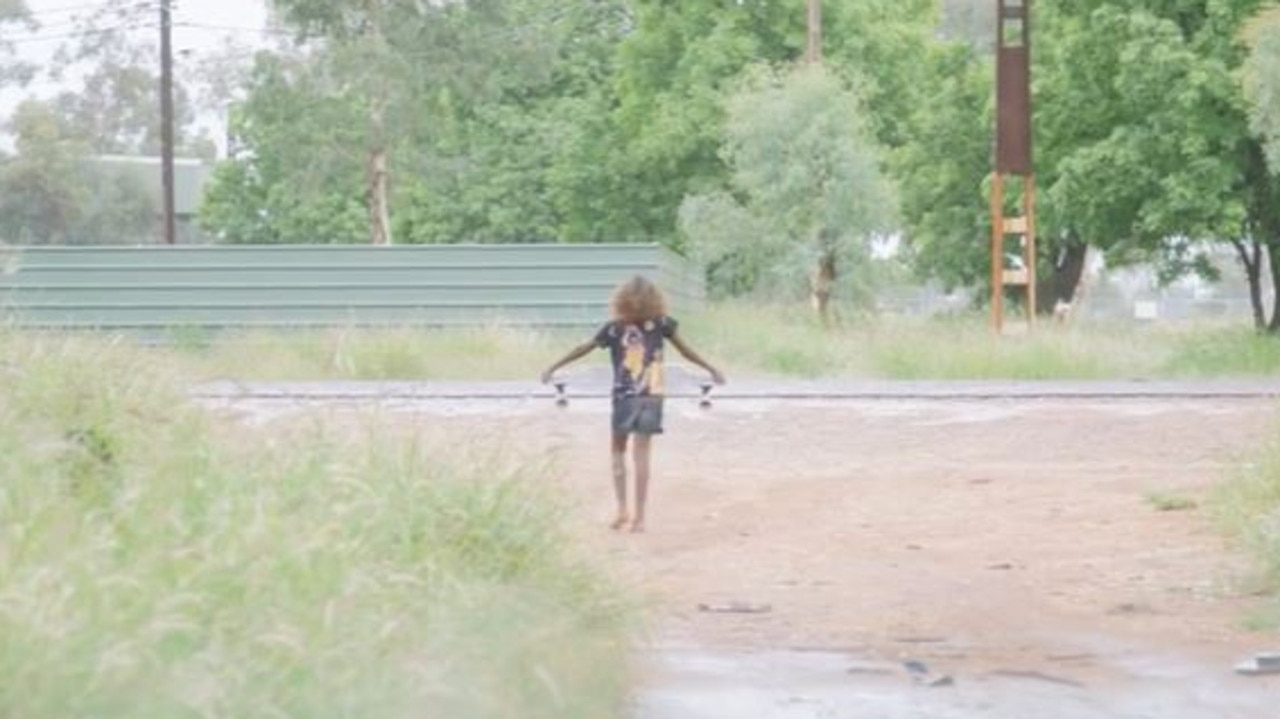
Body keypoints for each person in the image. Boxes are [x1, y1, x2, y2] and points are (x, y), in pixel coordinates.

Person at [541, 276, 725, 533]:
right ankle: (640, 517)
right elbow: (686, 351)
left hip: (624, 397)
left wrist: (554, 366)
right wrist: (711, 368)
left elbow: (584, 347)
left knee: (618, 451)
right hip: (652, 397)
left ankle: (622, 510)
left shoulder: (614, 329)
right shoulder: (662, 325)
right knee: (642, 456)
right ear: (656, 300)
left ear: (621, 300)